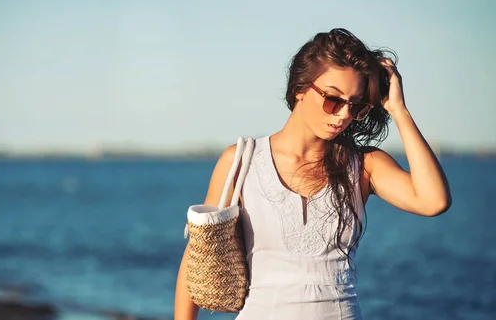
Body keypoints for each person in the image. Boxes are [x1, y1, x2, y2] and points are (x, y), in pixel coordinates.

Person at [174, 28, 451, 320]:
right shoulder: (242, 160)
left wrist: (399, 110)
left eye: (356, 105)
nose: (343, 114)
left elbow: (433, 201)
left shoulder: (364, 165)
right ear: (300, 89)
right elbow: (196, 260)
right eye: (333, 99)